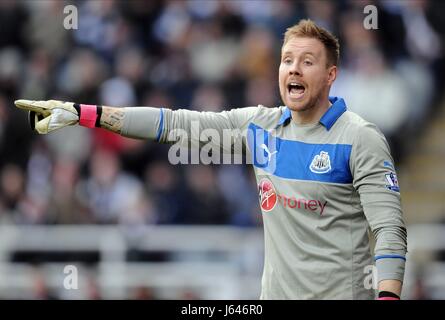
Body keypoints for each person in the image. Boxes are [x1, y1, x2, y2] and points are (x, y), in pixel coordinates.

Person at [14, 19, 407, 300]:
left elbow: (389, 230)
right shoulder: (260, 127)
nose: (294, 68)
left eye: (307, 61)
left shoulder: (359, 138)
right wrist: (87, 114)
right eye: (287, 59)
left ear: (331, 74)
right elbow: (174, 124)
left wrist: (388, 297)